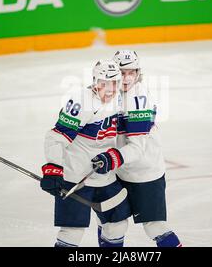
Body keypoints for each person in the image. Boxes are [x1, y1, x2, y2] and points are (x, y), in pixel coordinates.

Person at [93, 50, 182, 247]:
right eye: (121, 72)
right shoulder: (108, 92)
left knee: (154, 226)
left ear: (138, 72)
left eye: (131, 72)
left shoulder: (138, 98)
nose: (126, 78)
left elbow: (137, 148)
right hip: (117, 171)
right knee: (111, 224)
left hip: (144, 172)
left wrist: (110, 159)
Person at [41, 60, 131, 247]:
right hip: (76, 176)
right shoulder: (82, 102)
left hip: (105, 176)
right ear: (95, 81)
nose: (110, 89)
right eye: (104, 83)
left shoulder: (121, 99)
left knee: (117, 225)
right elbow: (56, 138)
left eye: (114, 82)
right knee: (72, 232)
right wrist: (53, 168)